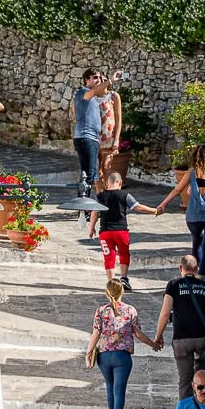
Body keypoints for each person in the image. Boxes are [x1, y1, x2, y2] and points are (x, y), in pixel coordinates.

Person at [152, 254, 205, 398]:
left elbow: (165, 314)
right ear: (197, 269)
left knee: (185, 380)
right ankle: (201, 407)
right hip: (201, 338)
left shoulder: (173, 285)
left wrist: (158, 336)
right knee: (200, 377)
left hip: (181, 339)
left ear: (181, 268)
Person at [88, 277, 149, 409]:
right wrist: (153, 344)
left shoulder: (101, 311)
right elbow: (138, 333)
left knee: (110, 387)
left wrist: (88, 353)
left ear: (107, 293)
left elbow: (95, 334)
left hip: (104, 355)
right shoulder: (130, 310)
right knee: (119, 390)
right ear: (122, 291)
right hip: (122, 356)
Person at [157, 144, 205, 275]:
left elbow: (178, 189)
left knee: (196, 242)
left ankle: (192, 274)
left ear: (196, 157)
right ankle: (201, 277)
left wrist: (163, 204)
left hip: (194, 216)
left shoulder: (192, 172)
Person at [72, 70, 117, 234]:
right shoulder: (83, 93)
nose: (98, 80)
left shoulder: (94, 97)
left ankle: (84, 208)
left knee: (90, 173)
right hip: (85, 137)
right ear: (86, 80)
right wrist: (110, 80)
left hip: (91, 139)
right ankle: (83, 209)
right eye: (95, 77)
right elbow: (95, 92)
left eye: (100, 77)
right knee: (89, 174)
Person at [93, 170, 139, 283]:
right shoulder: (125, 195)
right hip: (121, 231)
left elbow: (95, 213)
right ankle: (124, 279)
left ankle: (111, 282)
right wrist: (155, 210)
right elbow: (138, 207)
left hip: (105, 232)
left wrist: (91, 228)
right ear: (120, 182)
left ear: (107, 183)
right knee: (124, 253)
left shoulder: (100, 196)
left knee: (109, 257)